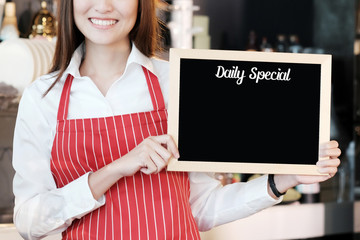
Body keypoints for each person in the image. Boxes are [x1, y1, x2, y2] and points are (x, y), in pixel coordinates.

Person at [12, 0, 341, 239]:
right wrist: (114, 170)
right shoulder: (43, 98)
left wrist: (282, 180)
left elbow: (202, 206)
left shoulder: (178, 84)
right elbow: (28, 220)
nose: (104, 6)